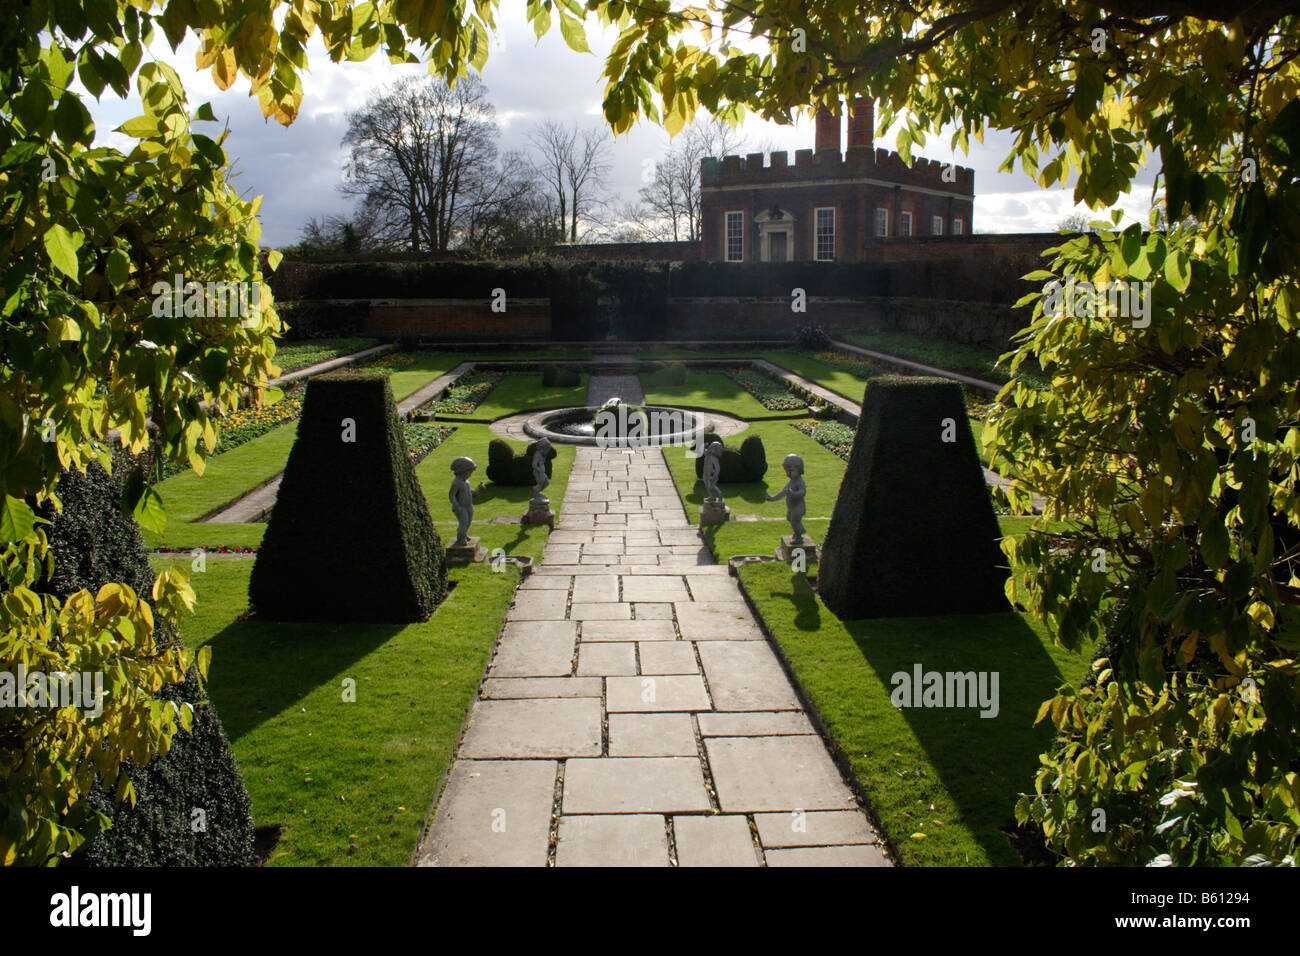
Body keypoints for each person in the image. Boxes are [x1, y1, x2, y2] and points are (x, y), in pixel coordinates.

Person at [766, 453, 807, 540]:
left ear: (799, 470)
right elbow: (783, 493)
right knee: (789, 518)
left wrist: (793, 493)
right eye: (787, 471)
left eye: (791, 471)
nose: (788, 473)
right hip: (791, 507)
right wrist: (772, 498)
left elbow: (803, 492)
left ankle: (799, 537)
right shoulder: (791, 482)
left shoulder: (799, 482)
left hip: (798, 507)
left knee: (794, 522)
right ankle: (800, 530)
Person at [449, 457, 485, 546]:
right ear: (462, 471)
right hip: (461, 507)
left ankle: (464, 534)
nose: (470, 475)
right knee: (463, 522)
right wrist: (456, 505)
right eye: (469, 473)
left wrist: (478, 490)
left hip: (469, 506)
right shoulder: (456, 483)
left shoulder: (466, 482)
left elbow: (470, 492)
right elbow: (451, 495)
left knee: (468, 522)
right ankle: (461, 538)